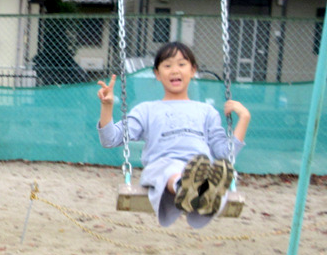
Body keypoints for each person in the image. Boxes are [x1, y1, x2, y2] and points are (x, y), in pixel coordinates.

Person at [97, 41, 251, 228]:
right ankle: (188, 188)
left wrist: (244, 118)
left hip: (200, 164)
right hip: (162, 165)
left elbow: (225, 154)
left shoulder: (207, 112)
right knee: (170, 170)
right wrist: (107, 106)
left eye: (181, 64)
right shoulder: (147, 110)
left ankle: (200, 190)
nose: (175, 70)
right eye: (167, 65)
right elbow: (110, 139)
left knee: (217, 168)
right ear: (157, 74)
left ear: (193, 70)